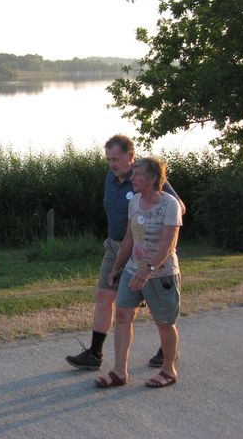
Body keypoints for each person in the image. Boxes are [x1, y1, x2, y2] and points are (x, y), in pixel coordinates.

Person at [66, 135, 185, 371]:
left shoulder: (146, 177)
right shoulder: (110, 178)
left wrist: (158, 235)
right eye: (108, 159)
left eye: (116, 159)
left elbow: (178, 207)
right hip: (115, 247)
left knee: (155, 305)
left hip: (146, 250)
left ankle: (167, 352)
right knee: (104, 297)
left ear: (130, 156)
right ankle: (95, 354)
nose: (112, 164)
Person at [94, 157, 182, 388]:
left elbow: (168, 245)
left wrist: (148, 270)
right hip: (133, 269)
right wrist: (116, 269)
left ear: (152, 178)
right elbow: (129, 239)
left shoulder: (169, 204)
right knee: (122, 316)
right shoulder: (134, 202)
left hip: (160, 275)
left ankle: (168, 370)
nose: (131, 178)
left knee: (163, 322)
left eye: (137, 174)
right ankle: (119, 372)